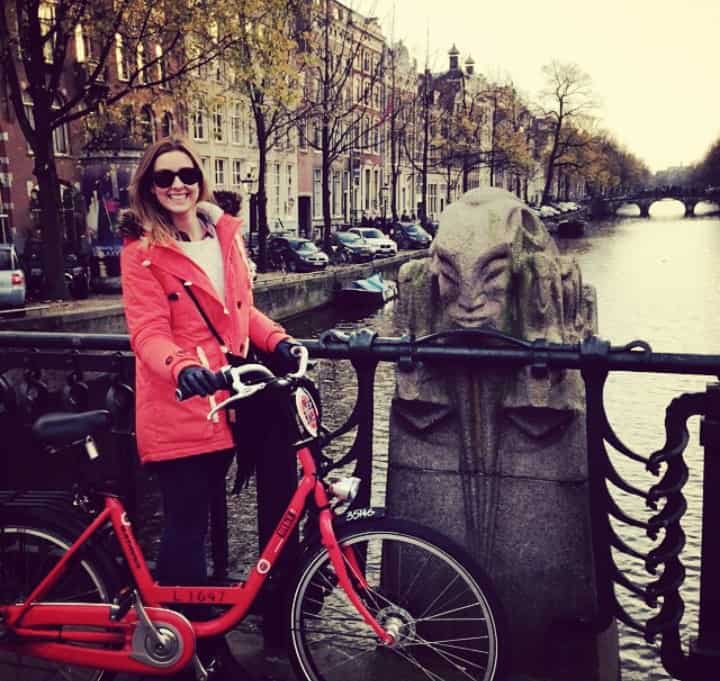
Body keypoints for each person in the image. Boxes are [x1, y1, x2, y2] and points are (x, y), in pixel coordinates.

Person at [120, 136, 301, 680]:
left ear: (199, 179)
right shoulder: (142, 253)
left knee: (197, 525)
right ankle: (188, 650)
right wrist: (181, 367)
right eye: (164, 177)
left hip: (229, 402)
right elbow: (147, 332)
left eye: (186, 174)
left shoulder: (223, 235)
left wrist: (278, 340)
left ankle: (197, 642)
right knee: (186, 530)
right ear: (150, 188)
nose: (177, 184)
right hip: (181, 402)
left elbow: (238, 312)